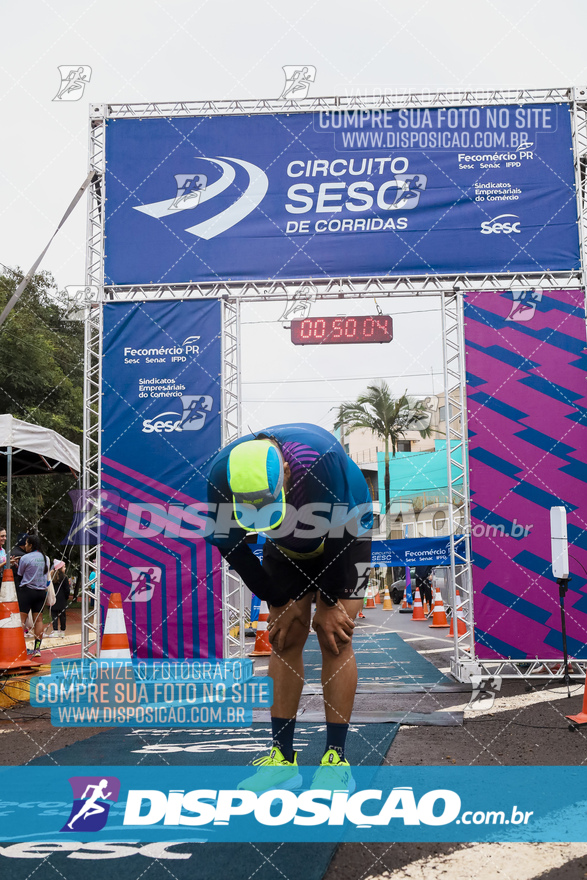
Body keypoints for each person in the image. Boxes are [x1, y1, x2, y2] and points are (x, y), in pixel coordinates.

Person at [205, 423, 373, 792]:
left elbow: (340, 536)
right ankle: (282, 760)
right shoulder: (221, 472)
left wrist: (328, 603)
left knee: (336, 637)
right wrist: (279, 600)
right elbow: (229, 544)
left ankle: (335, 760)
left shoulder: (319, 458)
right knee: (284, 638)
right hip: (286, 546)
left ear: (285, 471)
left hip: (347, 533)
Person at [16, 534, 50, 657]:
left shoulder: (25, 558)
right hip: (40, 593)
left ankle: (20, 647)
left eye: (26, 543)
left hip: (27, 592)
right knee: (39, 620)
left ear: (30, 545)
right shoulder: (45, 558)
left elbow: (20, 575)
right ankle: (37, 649)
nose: (25, 546)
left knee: (21, 620)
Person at [48, 560, 70, 637]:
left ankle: (55, 630)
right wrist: (66, 597)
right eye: (64, 567)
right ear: (60, 568)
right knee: (62, 615)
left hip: (53, 598)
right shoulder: (64, 577)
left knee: (54, 615)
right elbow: (67, 589)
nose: (65, 568)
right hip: (62, 599)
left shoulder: (51, 576)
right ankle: (62, 631)